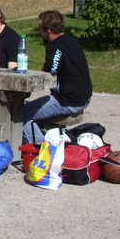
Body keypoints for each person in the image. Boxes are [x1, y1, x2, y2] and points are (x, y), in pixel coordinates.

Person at [22, 10, 92, 144]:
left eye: (40, 29)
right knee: (30, 108)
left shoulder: (55, 46)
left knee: (22, 113)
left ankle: (41, 148)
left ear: (48, 30)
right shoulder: (71, 41)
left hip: (69, 100)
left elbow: (49, 73)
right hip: (82, 97)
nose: (40, 32)